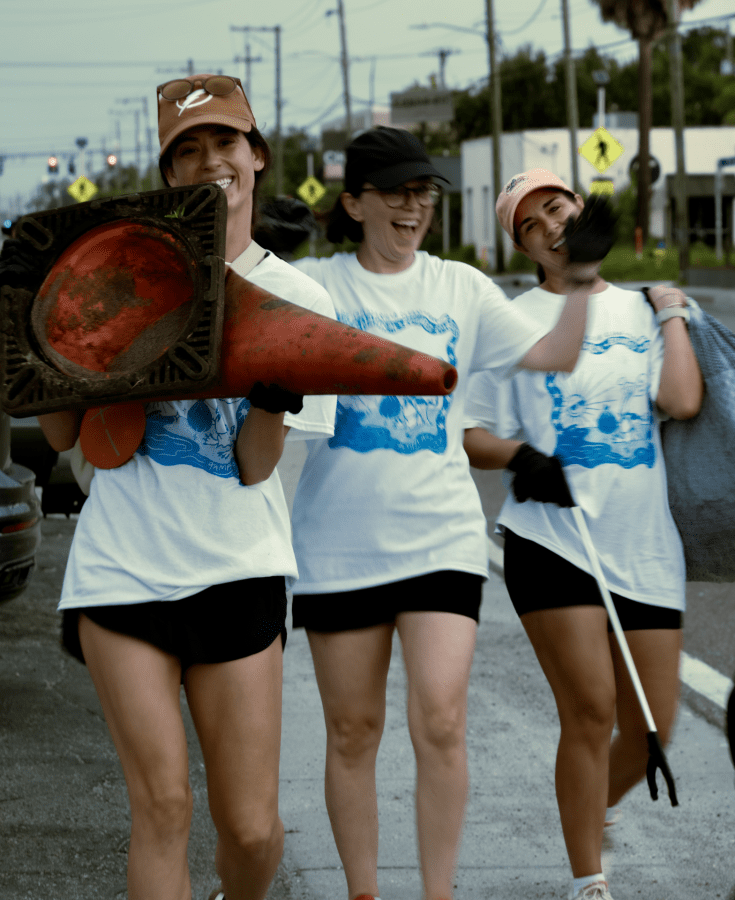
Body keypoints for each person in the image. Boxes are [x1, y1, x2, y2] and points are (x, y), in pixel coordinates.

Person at [32, 74, 338, 900]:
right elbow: (67, 443)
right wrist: (71, 341)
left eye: (225, 144)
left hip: (238, 567)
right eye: (187, 151)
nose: (210, 164)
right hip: (120, 568)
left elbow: (254, 466)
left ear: (258, 157)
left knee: (249, 828)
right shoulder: (118, 275)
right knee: (162, 806)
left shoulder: (301, 299)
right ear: (167, 173)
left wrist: (274, 387)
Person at [287, 136, 596, 900]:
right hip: (337, 544)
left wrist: (583, 274)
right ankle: (363, 892)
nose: (414, 205)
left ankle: (438, 895)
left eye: (425, 190)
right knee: (354, 732)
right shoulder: (313, 287)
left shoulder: (460, 287)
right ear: (352, 202)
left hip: (441, 540)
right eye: (395, 191)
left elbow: (554, 353)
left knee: (441, 720)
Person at [461, 169, 703, 900]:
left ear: (582, 210)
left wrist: (671, 316)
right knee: (591, 709)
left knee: (655, 728)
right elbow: (470, 431)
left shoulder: (640, 307)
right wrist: (520, 458)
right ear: (526, 246)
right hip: (551, 538)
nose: (553, 223)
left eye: (558, 206)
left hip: (642, 543)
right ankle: (588, 877)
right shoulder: (512, 319)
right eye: (534, 222)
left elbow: (682, 400)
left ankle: (587, 809)